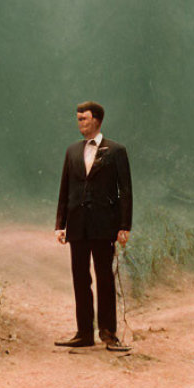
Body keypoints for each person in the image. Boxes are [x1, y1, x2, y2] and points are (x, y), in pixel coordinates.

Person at [54, 101, 132, 350]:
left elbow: (125, 191)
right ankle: (84, 332)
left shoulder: (116, 150)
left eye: (84, 119)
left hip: (104, 225)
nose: (80, 123)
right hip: (77, 225)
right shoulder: (72, 151)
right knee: (80, 279)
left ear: (97, 120)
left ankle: (108, 333)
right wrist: (60, 224)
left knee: (104, 279)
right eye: (78, 119)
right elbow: (65, 189)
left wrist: (124, 225)